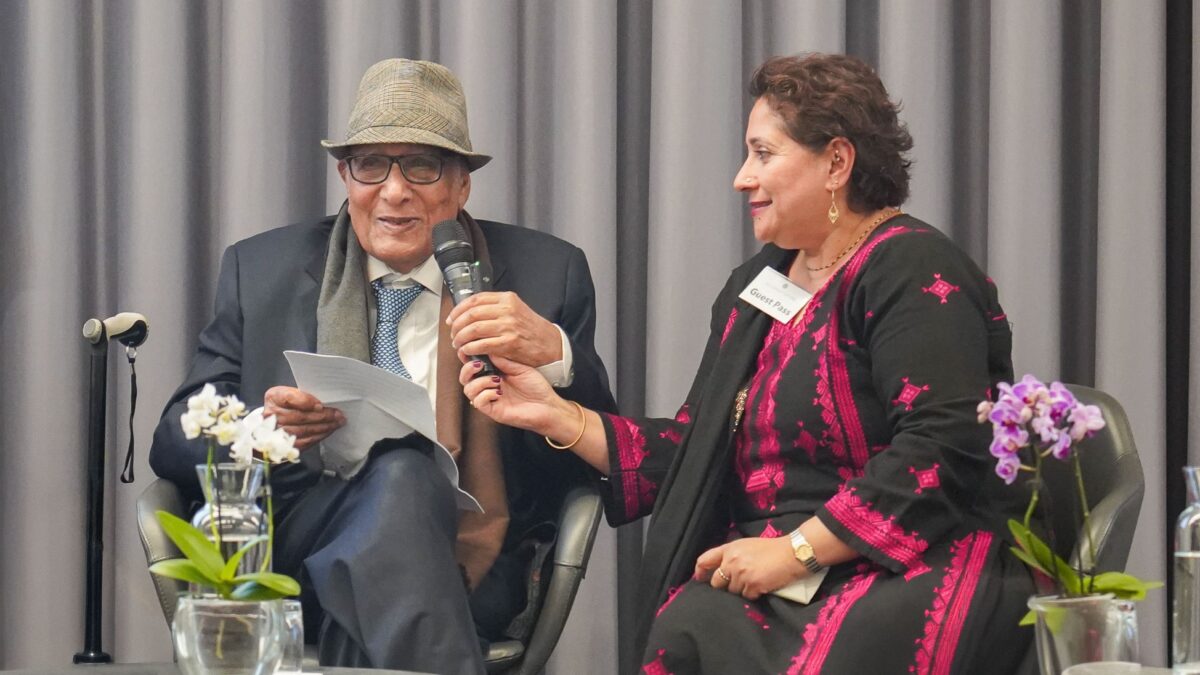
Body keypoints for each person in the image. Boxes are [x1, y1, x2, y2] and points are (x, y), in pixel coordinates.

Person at [462, 53, 1032, 673]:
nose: (741, 178)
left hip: (910, 559)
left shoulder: (910, 265)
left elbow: (942, 444)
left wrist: (797, 552)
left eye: (763, 154)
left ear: (836, 163)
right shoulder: (758, 285)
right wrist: (556, 415)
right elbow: (695, 454)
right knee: (689, 626)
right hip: (777, 570)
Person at [149, 58, 615, 674]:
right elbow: (172, 440)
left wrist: (552, 352)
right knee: (403, 473)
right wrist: (261, 430)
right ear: (345, 176)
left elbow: (605, 448)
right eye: (371, 165)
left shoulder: (545, 273)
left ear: (462, 185)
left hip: (474, 552)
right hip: (298, 546)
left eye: (421, 166)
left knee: (389, 530)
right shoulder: (261, 269)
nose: (394, 192)